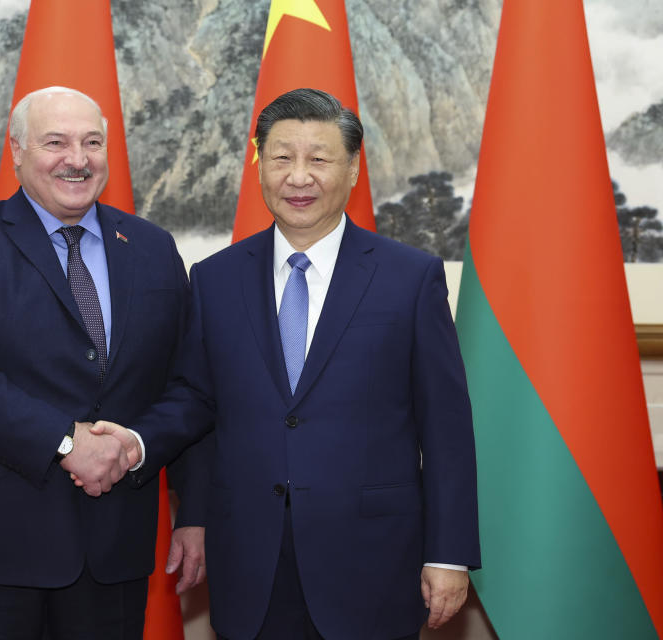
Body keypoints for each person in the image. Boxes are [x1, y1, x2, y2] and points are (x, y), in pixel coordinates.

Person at [86, 88, 481, 640]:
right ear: (260, 166)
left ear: (352, 168)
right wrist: (163, 473)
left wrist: (449, 553)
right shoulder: (214, 278)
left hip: (373, 561)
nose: (299, 177)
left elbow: (446, 428)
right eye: (281, 158)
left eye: (319, 159)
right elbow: (199, 405)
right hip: (249, 558)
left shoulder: (409, 279)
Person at [0, 86, 206, 640]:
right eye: (55, 142)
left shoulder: (153, 247)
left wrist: (137, 447)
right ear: (15, 150)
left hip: (113, 549)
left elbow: (190, 385)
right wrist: (67, 443)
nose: (78, 158)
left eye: (92, 142)